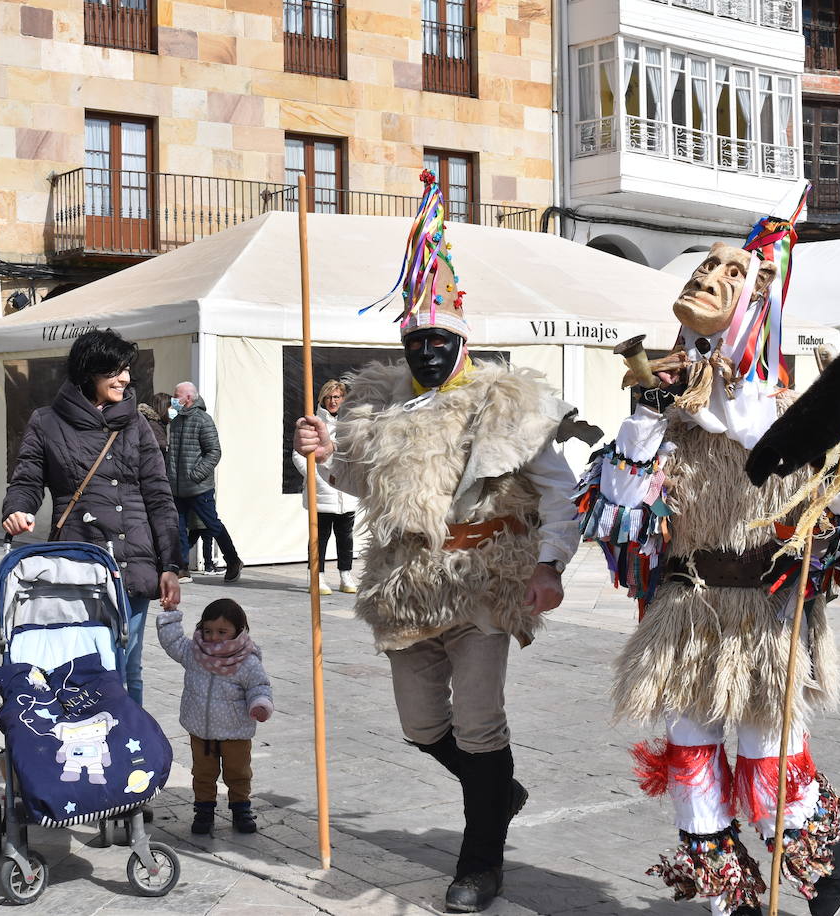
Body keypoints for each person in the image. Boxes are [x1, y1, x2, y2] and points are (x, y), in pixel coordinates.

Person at [584, 228, 840, 916]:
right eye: (704, 265)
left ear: (758, 301)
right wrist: (646, 423)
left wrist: (814, 453)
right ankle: (721, 890)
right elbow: (615, 510)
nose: (709, 277)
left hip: (766, 613)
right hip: (688, 610)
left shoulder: (794, 410)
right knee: (691, 747)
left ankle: (811, 851)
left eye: (730, 272)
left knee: (770, 749)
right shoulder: (668, 411)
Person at [293, 173, 580, 913]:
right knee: (422, 726)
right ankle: (499, 793)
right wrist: (323, 450)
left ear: (461, 341)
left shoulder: (502, 400)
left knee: (480, 721)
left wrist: (550, 563)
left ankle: (480, 861)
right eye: (416, 340)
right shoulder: (379, 406)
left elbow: (557, 486)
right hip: (404, 584)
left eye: (439, 340)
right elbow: (365, 487)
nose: (426, 351)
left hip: (485, 580)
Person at [2, 329, 183, 708]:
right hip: (76, 567)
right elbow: (28, 478)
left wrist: (170, 564)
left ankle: (129, 754)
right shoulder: (46, 421)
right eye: (115, 371)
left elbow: (159, 497)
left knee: (125, 667)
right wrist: (18, 508)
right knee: (79, 665)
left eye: (127, 370)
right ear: (89, 373)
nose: (126, 379)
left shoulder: (136, 425)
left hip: (131, 565)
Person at [156, 598, 273, 836]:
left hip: (235, 732)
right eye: (208, 631)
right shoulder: (194, 653)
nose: (214, 637)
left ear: (238, 631)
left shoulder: (247, 661)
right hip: (201, 730)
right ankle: (204, 810)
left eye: (222, 631)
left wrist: (260, 703)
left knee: (238, 773)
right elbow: (173, 642)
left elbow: (259, 686)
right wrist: (170, 613)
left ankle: (241, 809)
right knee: (202, 773)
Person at [168, 381, 243, 582]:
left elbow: (214, 452)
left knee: (211, 524)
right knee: (178, 526)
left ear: (189, 398)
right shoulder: (175, 421)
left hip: (198, 487)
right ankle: (182, 567)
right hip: (177, 487)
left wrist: (196, 474)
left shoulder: (203, 420)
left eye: (176, 396)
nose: (173, 399)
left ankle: (233, 559)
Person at [290, 379, 360, 595]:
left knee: (345, 537)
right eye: (329, 397)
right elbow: (298, 454)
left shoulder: (351, 423)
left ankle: (345, 575)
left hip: (346, 493)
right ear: (322, 398)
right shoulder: (311, 422)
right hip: (321, 492)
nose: (333, 401)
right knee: (319, 539)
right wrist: (314, 475)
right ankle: (317, 577)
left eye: (336, 397)